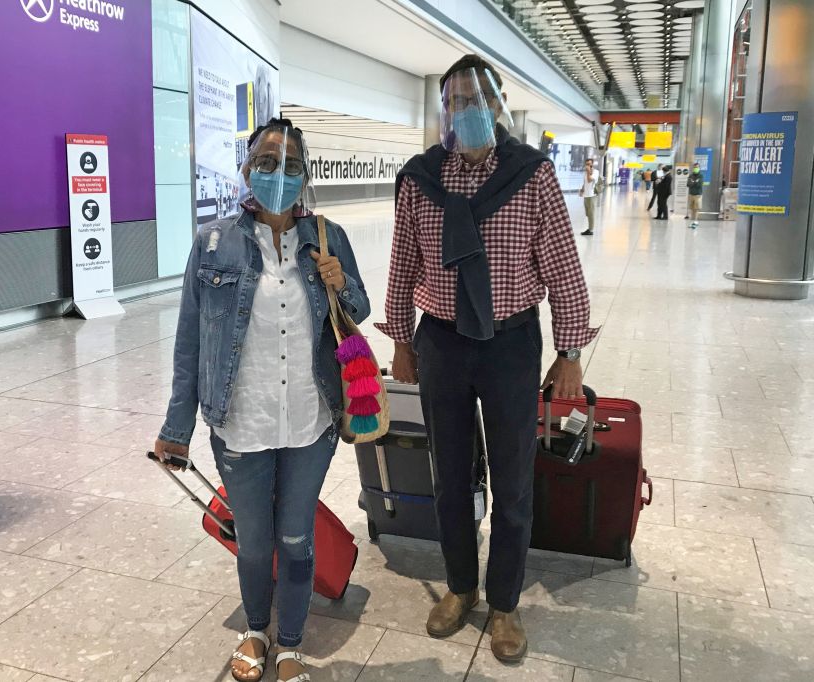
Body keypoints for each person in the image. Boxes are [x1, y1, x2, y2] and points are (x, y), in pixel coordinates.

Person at [377, 55, 597, 663]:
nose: (467, 110)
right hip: (441, 341)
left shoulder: (533, 175)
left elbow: (564, 270)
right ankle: (460, 586)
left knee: (512, 476)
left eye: (478, 99)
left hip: (510, 344)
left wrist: (571, 351)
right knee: (449, 472)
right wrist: (401, 340)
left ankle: (503, 602)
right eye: (457, 101)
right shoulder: (422, 179)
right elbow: (404, 266)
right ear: (444, 108)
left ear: (497, 103)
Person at [154, 118, 370, 682]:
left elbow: (360, 309)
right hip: (240, 418)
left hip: (310, 416)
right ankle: (255, 631)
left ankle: (292, 644)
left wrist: (339, 279)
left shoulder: (328, 236)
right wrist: (177, 427)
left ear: (305, 175)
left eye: (292, 165)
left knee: (296, 539)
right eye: (268, 163)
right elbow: (190, 340)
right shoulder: (214, 242)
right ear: (248, 170)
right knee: (253, 543)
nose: (280, 174)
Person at [578, 157, 597, 236]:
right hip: (586, 195)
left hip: (591, 195)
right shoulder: (586, 173)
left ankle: (591, 230)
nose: (588, 166)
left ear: (592, 164)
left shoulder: (596, 172)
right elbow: (585, 183)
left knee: (591, 213)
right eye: (586, 164)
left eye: (589, 164)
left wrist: (589, 171)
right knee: (588, 213)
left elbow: (589, 180)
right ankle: (589, 228)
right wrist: (582, 190)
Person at [687, 162, 704, 228]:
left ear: (699, 168)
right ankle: (692, 221)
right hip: (691, 194)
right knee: (692, 208)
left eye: (697, 167)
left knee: (696, 208)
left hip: (698, 195)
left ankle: (696, 221)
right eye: (694, 167)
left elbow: (699, 185)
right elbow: (688, 184)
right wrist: (695, 182)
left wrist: (692, 182)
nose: (695, 168)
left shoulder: (701, 175)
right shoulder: (690, 175)